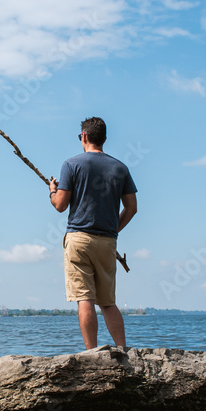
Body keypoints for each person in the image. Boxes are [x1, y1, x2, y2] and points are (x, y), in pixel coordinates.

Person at [49, 117, 137, 350]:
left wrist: (52, 191)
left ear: (84, 136)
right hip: (107, 241)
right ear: (104, 139)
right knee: (108, 302)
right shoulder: (120, 168)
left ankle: (92, 353)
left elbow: (60, 205)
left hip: (78, 238)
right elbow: (132, 208)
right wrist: (112, 229)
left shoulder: (71, 165)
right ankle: (122, 349)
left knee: (84, 298)